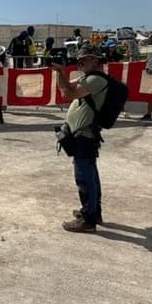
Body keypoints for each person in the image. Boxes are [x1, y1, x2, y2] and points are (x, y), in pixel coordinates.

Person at [53, 44, 109, 233]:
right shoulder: (88, 78)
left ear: (95, 60)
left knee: (84, 178)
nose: (81, 62)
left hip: (85, 135)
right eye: (80, 59)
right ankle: (93, 212)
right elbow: (65, 91)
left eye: (84, 59)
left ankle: (88, 220)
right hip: (82, 135)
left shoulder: (95, 80)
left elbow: (69, 93)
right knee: (90, 174)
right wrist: (59, 72)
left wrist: (61, 71)